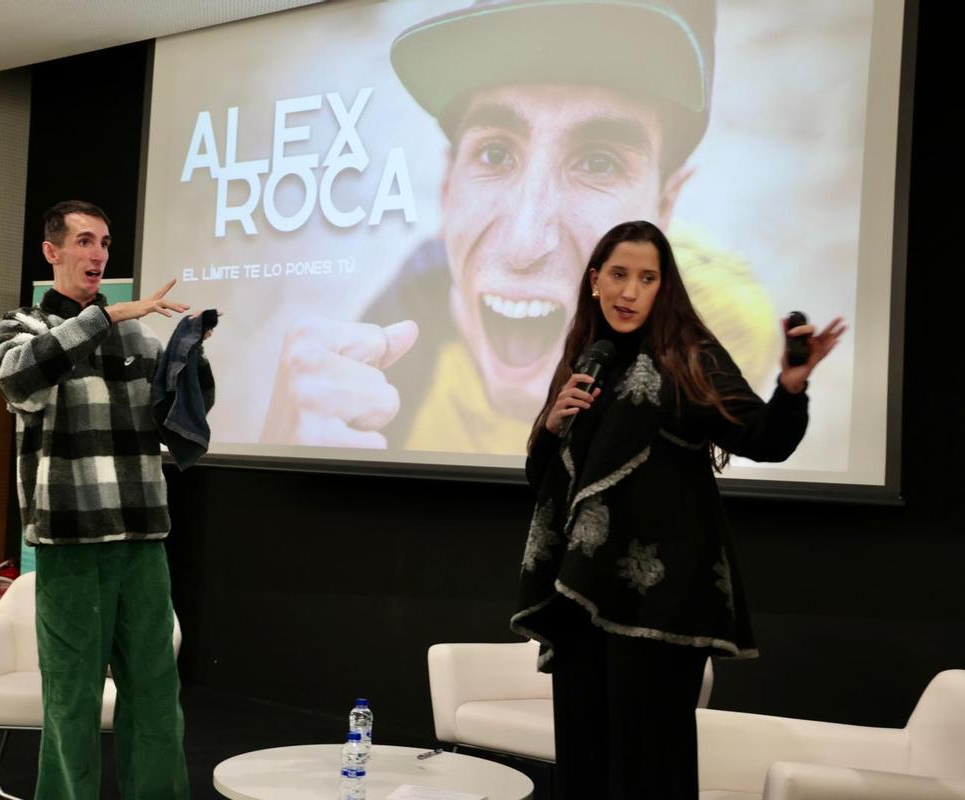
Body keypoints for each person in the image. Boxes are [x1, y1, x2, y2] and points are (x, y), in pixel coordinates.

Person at [261, 0, 779, 455]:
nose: (523, 244)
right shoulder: (403, 336)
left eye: (599, 163)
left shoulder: (720, 329)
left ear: (665, 207)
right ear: (447, 188)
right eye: (493, 152)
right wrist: (283, 461)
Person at [511, 220, 845, 799]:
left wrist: (791, 387)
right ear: (595, 280)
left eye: (647, 278)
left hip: (660, 601)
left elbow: (764, 439)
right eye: (618, 275)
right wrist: (551, 425)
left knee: (649, 768)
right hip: (581, 595)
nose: (629, 292)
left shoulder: (689, 357)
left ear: (664, 288)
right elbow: (546, 481)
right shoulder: (585, 361)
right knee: (585, 763)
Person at [0, 200, 200, 800]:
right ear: (52, 252)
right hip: (71, 541)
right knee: (71, 694)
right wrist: (105, 319)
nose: (98, 254)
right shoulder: (23, 326)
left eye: (105, 243)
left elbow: (180, 422)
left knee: (156, 693)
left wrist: (190, 355)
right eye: (85, 241)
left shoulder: (136, 334)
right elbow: (18, 380)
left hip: (141, 537)